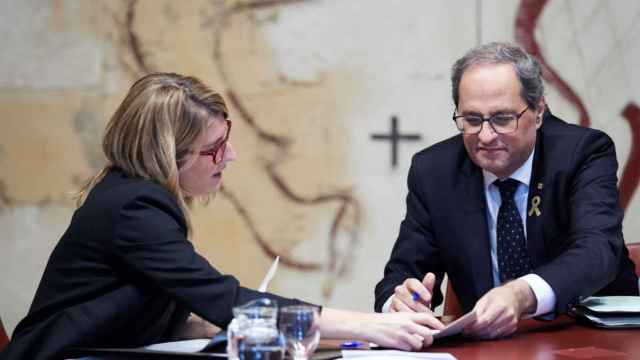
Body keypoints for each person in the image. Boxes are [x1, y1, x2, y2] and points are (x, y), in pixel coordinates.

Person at [1, 73, 443, 360]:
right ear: (169, 154)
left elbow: (179, 308)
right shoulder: (134, 208)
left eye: (225, 139)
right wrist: (374, 327)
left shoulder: (132, 197)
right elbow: (223, 298)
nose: (228, 156)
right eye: (213, 148)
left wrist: (264, 329)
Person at [374, 42, 639, 340]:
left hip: (598, 340)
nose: (486, 136)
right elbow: (400, 274)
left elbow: (597, 250)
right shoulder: (434, 172)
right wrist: (399, 304)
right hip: (493, 347)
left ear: (538, 111)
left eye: (502, 119)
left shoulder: (582, 153)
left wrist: (522, 292)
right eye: (472, 120)